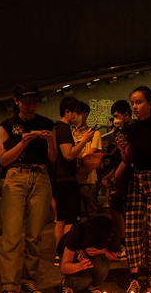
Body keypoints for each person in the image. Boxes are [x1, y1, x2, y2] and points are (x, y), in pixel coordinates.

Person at [0, 82, 57, 293]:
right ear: (16, 102)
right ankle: (9, 288)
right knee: (11, 234)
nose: (31, 107)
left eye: (34, 102)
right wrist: (23, 142)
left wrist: (49, 140)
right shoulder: (7, 125)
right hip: (15, 176)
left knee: (34, 234)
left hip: (41, 176)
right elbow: (3, 160)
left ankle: (28, 279)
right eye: (26, 102)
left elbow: (52, 159)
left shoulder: (46, 124)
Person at [117, 86, 151, 293]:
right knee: (131, 230)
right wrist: (122, 148)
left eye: (139, 102)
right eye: (132, 103)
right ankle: (133, 278)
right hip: (135, 179)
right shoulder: (132, 129)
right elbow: (127, 160)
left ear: (150, 104)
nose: (134, 107)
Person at [52, 97, 94, 267]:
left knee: (60, 219)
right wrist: (84, 140)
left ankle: (59, 253)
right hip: (66, 180)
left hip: (58, 180)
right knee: (71, 220)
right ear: (67, 112)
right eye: (76, 113)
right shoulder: (62, 129)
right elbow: (68, 154)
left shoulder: (56, 128)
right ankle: (67, 256)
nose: (78, 116)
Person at [58, 215, 120, 293]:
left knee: (103, 265)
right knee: (84, 280)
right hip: (74, 261)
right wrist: (79, 266)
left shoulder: (111, 233)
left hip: (93, 260)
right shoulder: (79, 231)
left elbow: (113, 256)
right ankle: (67, 284)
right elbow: (63, 268)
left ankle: (93, 287)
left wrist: (102, 251)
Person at [101, 100, 134, 260]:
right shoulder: (120, 132)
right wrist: (110, 175)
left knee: (117, 209)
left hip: (128, 177)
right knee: (117, 209)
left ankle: (124, 245)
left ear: (126, 115)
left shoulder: (130, 131)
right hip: (120, 176)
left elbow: (126, 159)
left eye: (117, 116)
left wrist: (114, 177)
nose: (115, 120)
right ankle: (123, 244)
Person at [73, 102, 103, 219]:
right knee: (74, 215)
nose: (75, 116)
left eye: (79, 113)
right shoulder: (70, 133)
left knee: (92, 213)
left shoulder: (94, 133)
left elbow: (90, 155)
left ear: (85, 115)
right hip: (72, 179)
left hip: (88, 179)